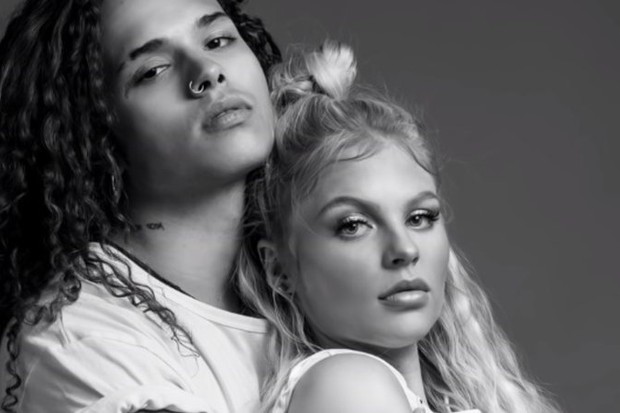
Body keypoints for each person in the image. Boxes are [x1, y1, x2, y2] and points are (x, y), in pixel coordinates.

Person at [237, 41, 562, 413]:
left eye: (419, 217)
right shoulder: (348, 386)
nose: (404, 250)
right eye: (353, 225)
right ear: (279, 269)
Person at [0, 0, 280, 411]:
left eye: (218, 40)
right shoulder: (81, 340)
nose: (207, 71)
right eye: (152, 71)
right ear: (94, 130)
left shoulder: (316, 277)